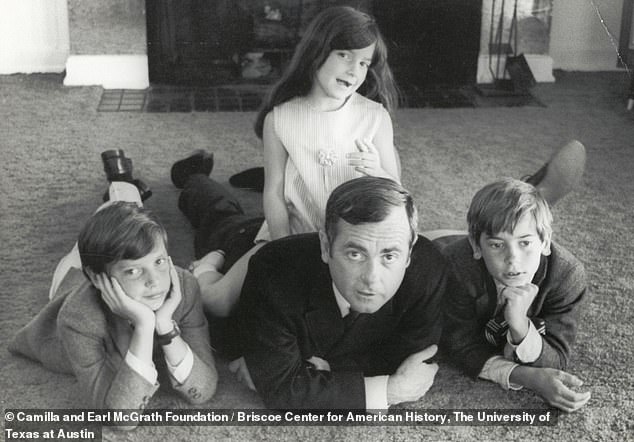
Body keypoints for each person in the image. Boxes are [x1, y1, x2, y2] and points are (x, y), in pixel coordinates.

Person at [175, 6, 402, 314]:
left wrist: (377, 171)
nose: (354, 70)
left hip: (345, 246)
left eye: (363, 62)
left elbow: (398, 195)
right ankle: (194, 179)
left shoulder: (374, 117)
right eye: (344, 55)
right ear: (317, 51)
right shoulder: (280, 119)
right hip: (287, 231)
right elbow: (274, 192)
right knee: (219, 302)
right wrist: (283, 247)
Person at [235, 176, 454, 410]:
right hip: (240, 243)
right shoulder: (273, 272)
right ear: (325, 246)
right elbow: (281, 390)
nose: (371, 277)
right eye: (355, 254)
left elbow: (411, 356)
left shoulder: (428, 269)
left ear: (409, 254)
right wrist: (387, 391)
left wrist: (319, 373)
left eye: (389, 256)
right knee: (224, 221)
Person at [9, 184, 218, 417]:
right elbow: (119, 415)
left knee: (132, 218)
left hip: (106, 269)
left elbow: (204, 387)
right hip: (74, 282)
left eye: (159, 262)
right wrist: (145, 326)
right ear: (97, 280)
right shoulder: (78, 318)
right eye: (133, 271)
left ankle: (126, 188)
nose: (154, 282)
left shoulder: (183, 286)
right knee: (88, 246)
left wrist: (165, 327)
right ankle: (119, 186)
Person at [439, 169, 592, 412]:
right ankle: (514, 212)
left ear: (544, 242)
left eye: (525, 243)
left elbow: (558, 358)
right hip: (439, 245)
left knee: (503, 225)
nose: (513, 260)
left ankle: (518, 208)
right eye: (498, 245)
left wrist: (520, 324)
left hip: (474, 244)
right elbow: (458, 347)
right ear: (476, 247)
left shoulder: (567, 275)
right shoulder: (454, 266)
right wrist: (525, 376)